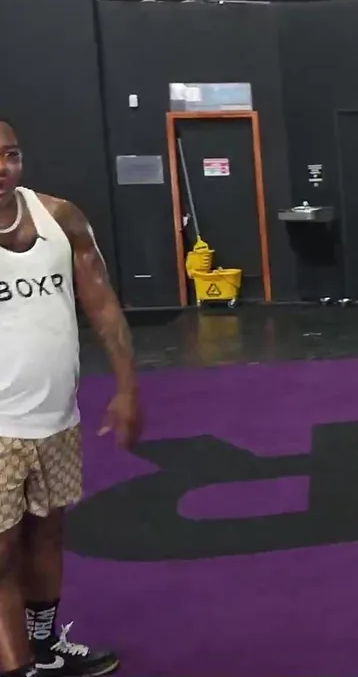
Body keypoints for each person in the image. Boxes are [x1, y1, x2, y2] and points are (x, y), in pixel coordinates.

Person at [0, 118, 142, 677]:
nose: (2, 167)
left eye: (10, 154)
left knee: (46, 537)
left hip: (57, 418)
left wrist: (127, 387)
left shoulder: (60, 218)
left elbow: (101, 303)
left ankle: (44, 649)